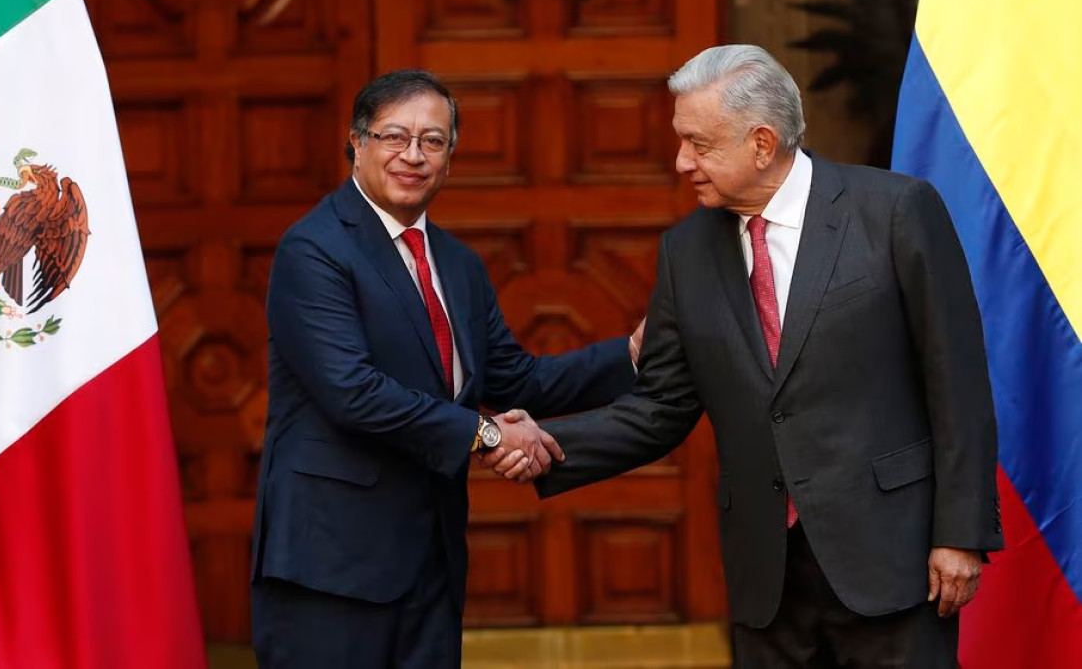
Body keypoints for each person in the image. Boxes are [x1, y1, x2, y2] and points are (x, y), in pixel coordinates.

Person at [505, 45, 1002, 667]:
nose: (682, 161)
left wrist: (960, 535)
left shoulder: (895, 212)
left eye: (699, 144)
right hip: (766, 575)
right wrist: (546, 444)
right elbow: (660, 407)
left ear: (763, 143)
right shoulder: (686, 251)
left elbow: (956, 383)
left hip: (893, 558)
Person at [250, 68, 641, 668]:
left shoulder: (456, 264)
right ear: (356, 143)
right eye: (394, 137)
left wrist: (631, 356)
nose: (414, 155)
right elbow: (352, 392)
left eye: (433, 141)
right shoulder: (315, 249)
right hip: (331, 567)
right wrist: (487, 436)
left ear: (450, 158)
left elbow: (517, 380)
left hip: (429, 562)